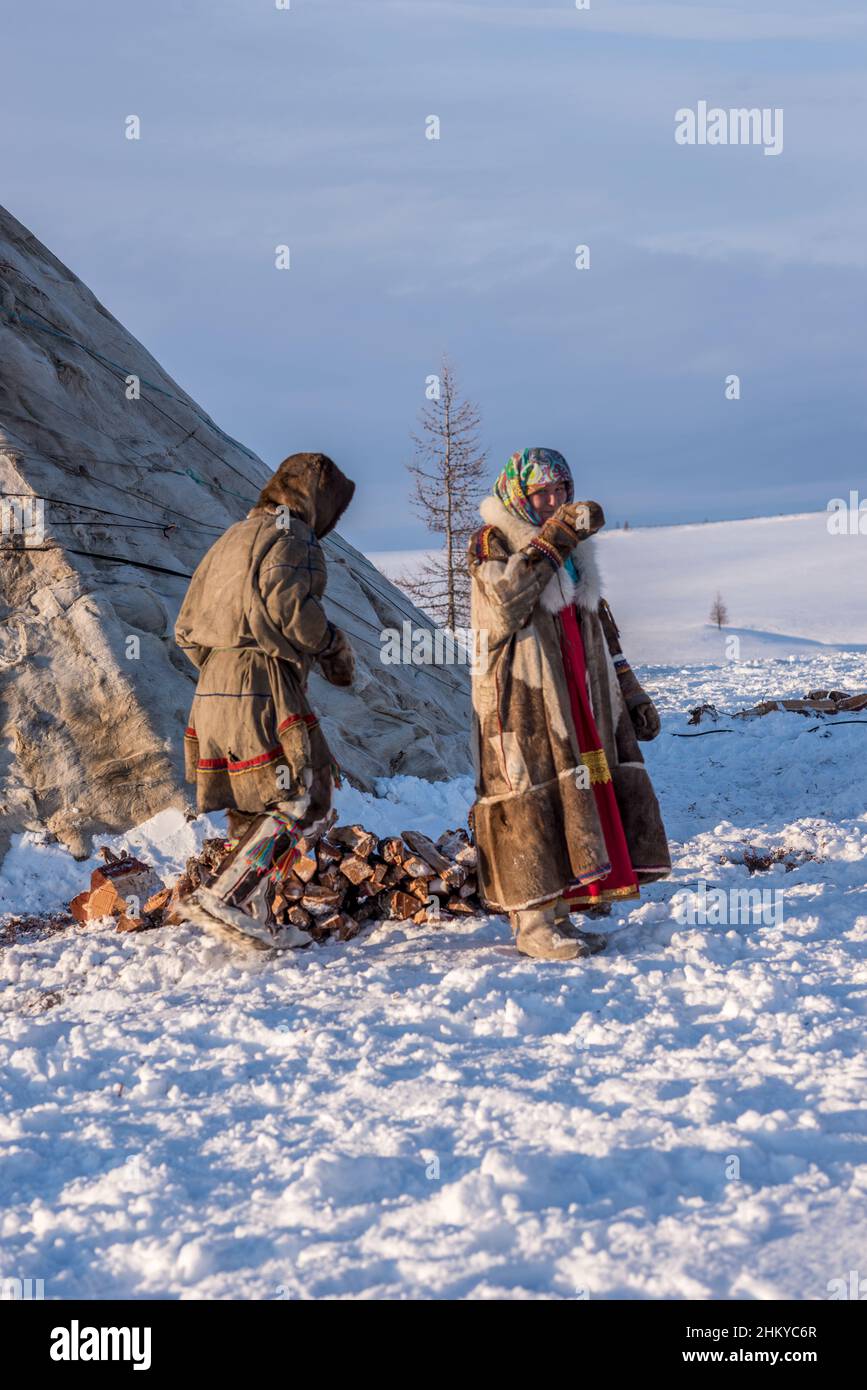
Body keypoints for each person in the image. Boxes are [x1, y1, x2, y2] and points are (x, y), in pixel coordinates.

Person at [467, 447, 670, 961]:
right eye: (542, 494)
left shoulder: (575, 553)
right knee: (531, 793)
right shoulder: (492, 541)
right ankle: (532, 923)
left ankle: (561, 914)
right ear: (519, 494)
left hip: (577, 693)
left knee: (574, 795)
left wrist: (629, 688)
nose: (553, 502)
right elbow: (506, 603)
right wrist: (555, 538)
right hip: (523, 698)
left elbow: (598, 624)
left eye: (561, 493)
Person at [174, 451, 356, 943]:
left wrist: (223, 668)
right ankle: (229, 896)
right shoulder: (294, 535)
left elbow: (185, 628)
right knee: (307, 790)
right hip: (265, 683)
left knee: (254, 800)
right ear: (319, 501)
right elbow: (286, 603)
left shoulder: (229, 537)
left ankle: (250, 915)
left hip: (211, 685)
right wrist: (331, 645)